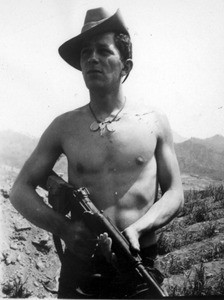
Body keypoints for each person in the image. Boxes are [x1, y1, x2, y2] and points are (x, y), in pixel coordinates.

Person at [10, 7, 184, 298]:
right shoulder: (63, 126)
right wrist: (64, 228)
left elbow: (175, 193)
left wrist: (138, 230)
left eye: (104, 51)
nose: (92, 58)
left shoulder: (154, 121)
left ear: (125, 66)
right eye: (86, 52)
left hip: (138, 263)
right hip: (82, 267)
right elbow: (20, 190)